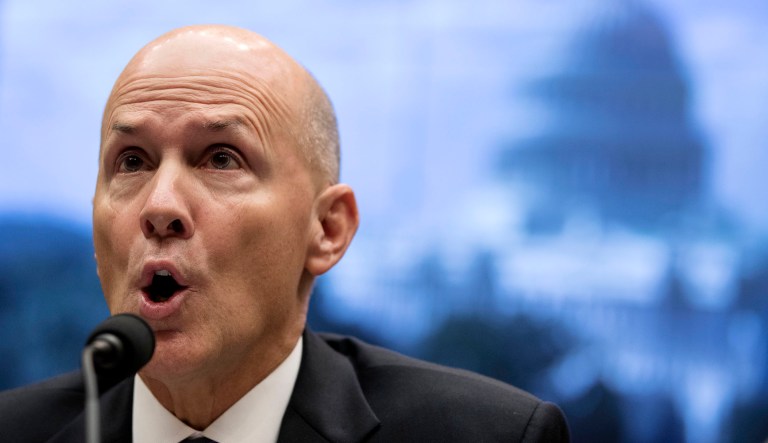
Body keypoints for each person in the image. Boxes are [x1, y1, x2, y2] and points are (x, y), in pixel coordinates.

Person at [0, 25, 569, 442]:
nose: (160, 206)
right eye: (131, 162)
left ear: (327, 229)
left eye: (221, 158)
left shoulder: (488, 435)